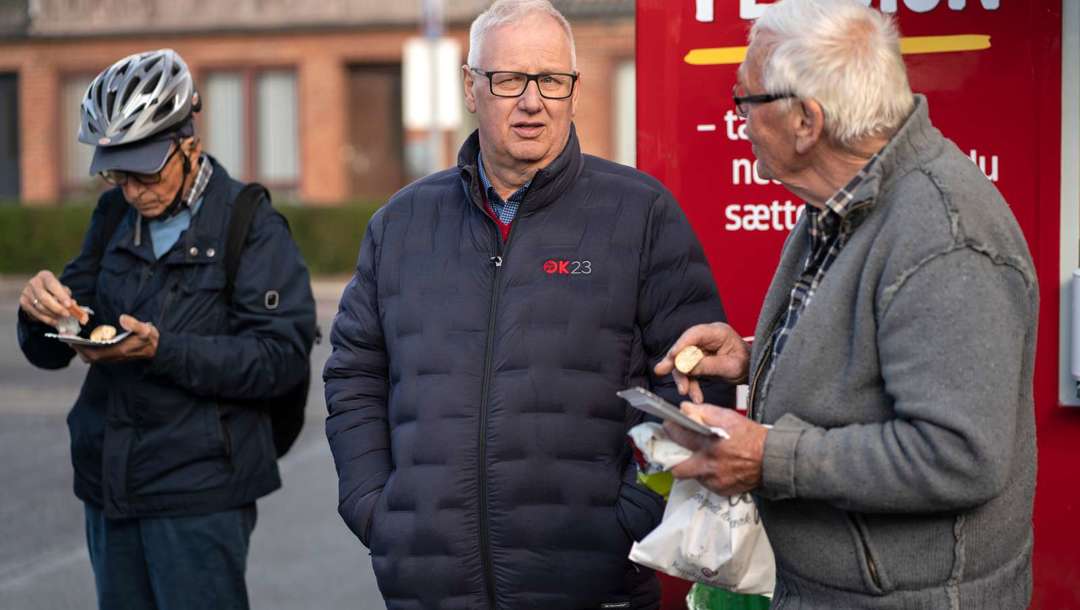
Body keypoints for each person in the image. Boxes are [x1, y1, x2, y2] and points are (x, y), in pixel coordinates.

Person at [323, 1, 732, 608]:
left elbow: (697, 390)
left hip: (594, 584)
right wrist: (375, 508)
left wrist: (632, 518)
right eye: (509, 79)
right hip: (429, 583)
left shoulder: (640, 214)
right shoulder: (402, 224)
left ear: (572, 90)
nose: (532, 101)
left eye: (551, 81)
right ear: (471, 87)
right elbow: (354, 373)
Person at [654, 0, 1038, 608]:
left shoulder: (944, 238)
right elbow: (888, 360)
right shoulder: (844, 204)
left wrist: (767, 458)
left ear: (807, 120)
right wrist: (751, 358)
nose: (740, 122)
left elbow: (960, 456)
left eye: (746, 102)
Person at [17, 48, 316, 610]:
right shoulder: (111, 217)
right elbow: (57, 344)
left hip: (200, 494)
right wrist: (39, 315)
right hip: (110, 487)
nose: (130, 189)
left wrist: (163, 349)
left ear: (189, 144)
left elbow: (280, 358)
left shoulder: (250, 224)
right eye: (115, 171)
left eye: (145, 169)